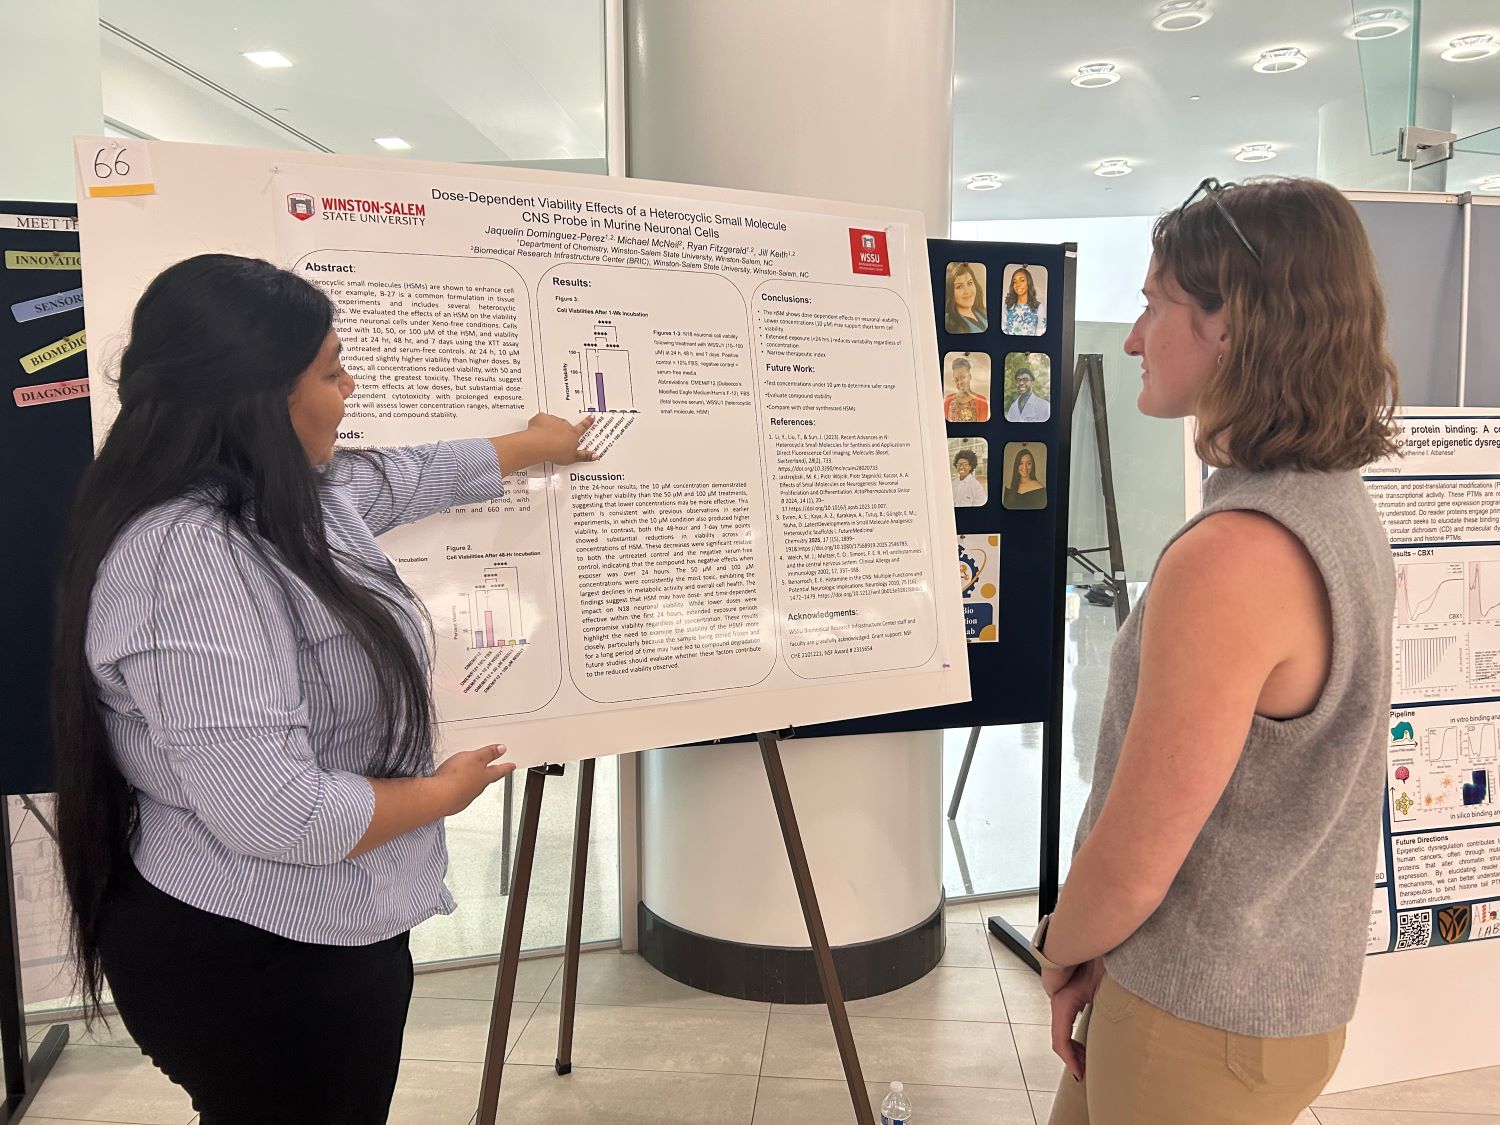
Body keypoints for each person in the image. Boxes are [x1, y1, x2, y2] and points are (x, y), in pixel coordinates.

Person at [50, 254, 596, 1124]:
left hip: (332, 928)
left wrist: (541, 443)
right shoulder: (186, 556)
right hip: (253, 953)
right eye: (331, 368)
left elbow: (413, 474)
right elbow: (278, 813)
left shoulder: (296, 494)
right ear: (261, 393)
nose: (350, 387)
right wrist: (442, 793)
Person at [1034, 177, 1399, 1125]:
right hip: (1262, 993)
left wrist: (1064, 943)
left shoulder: (1234, 552)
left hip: (1199, 1018)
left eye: (1154, 304)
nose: (1130, 336)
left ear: (1228, 322)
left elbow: (1141, 846)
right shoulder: (1335, 506)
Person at [945, 262, 988, 333]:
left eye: (970, 283)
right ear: (951, 292)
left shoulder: (982, 311)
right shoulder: (950, 325)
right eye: (959, 287)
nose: (967, 291)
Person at [944, 355, 990, 421]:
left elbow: (981, 429)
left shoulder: (982, 402)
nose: (960, 382)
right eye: (956, 379)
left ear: (969, 377)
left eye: (963, 377)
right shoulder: (948, 401)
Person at [1003, 265, 1046, 336]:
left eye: (1022, 280)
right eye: (1015, 282)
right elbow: (1003, 330)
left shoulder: (1038, 307)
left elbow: (1040, 332)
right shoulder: (1007, 306)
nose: (1018, 285)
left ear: (1028, 283)